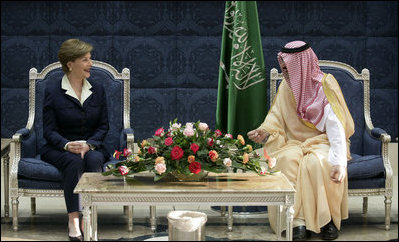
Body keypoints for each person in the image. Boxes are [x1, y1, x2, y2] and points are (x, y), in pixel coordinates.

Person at [248, 40, 354, 240]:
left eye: (289, 70)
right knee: (287, 161)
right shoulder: (286, 88)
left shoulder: (326, 84)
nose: (286, 75)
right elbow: (276, 118)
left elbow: (336, 127)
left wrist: (340, 162)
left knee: (317, 163)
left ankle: (327, 220)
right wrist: (265, 132)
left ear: (302, 66)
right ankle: (296, 223)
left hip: (324, 142)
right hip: (293, 143)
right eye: (283, 69)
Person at [41, 39, 109, 241]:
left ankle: (91, 215)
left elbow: (104, 126)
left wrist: (89, 145)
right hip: (60, 147)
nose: (91, 63)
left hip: (92, 145)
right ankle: (74, 220)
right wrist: (67, 145)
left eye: (90, 59)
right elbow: (48, 130)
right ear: (70, 63)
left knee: (93, 159)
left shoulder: (98, 89)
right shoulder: (53, 91)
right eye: (85, 60)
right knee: (73, 161)